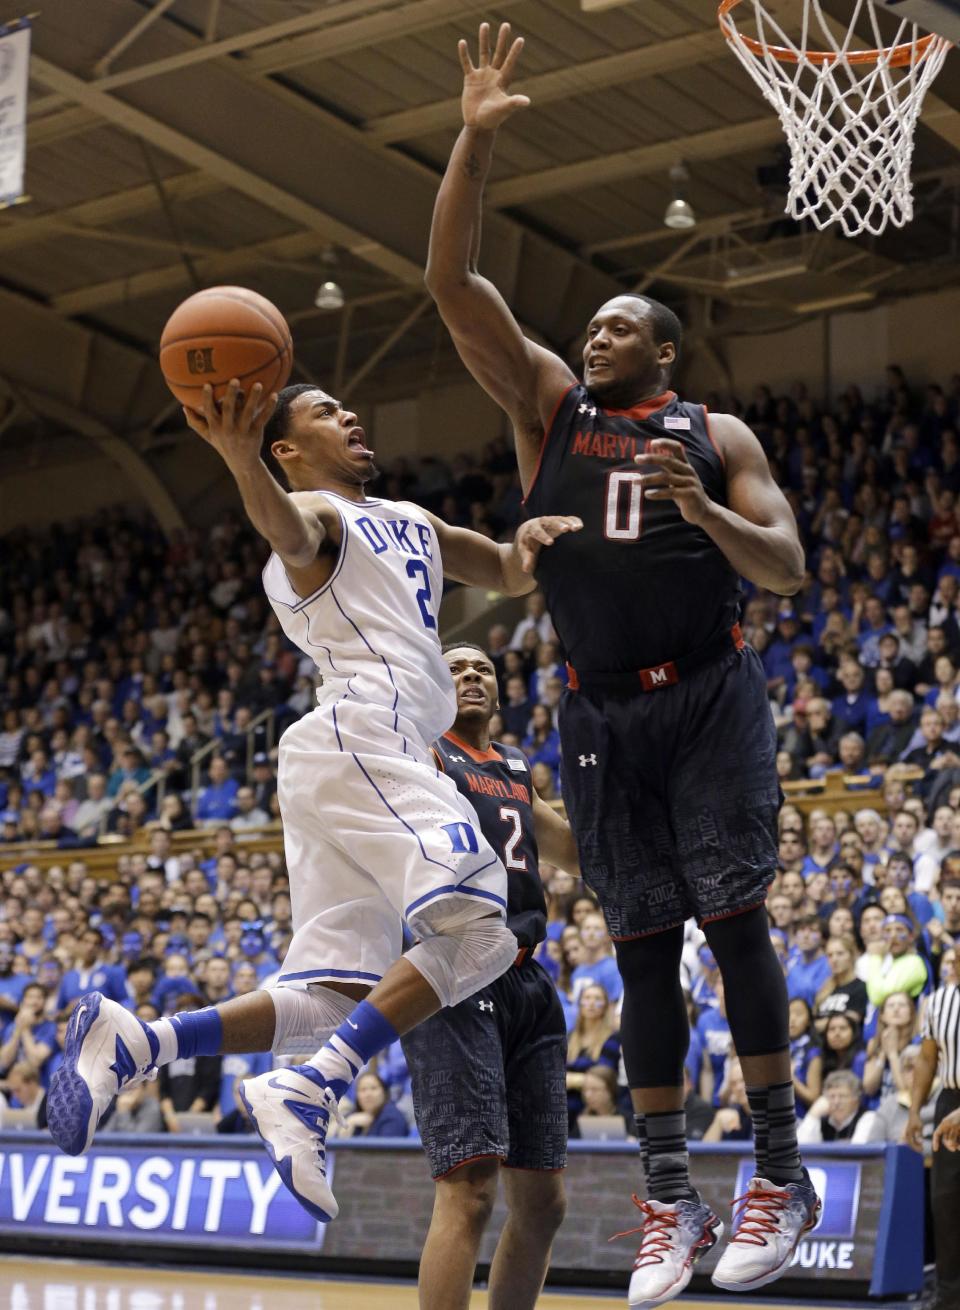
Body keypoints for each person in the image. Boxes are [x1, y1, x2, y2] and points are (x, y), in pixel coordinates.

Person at [424, 22, 818, 1301]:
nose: (592, 336)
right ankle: (668, 1198)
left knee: (734, 916)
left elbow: (788, 568)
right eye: (586, 325)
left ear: (663, 346)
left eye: (615, 326)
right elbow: (454, 285)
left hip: (705, 695)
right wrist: (474, 142)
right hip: (596, 711)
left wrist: (703, 512)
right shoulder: (550, 408)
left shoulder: (719, 432)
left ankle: (776, 1166)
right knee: (643, 946)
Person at [46, 374, 578, 1227]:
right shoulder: (318, 520)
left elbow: (512, 572)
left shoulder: (412, 522)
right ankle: (312, 1086)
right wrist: (235, 456)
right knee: (483, 925)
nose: (352, 416)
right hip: (364, 735)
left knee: (340, 992)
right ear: (288, 450)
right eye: (327, 413)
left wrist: (537, 540)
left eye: (348, 406)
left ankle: (140, 1040)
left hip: (355, 755)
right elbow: (290, 527)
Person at [400, 643, 579, 1310]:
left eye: (481, 670)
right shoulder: (419, 755)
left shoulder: (514, 767)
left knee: (543, 1202)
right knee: (469, 1187)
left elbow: (573, 852)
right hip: (456, 970)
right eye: (454, 669)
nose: (470, 676)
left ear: (501, 693)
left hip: (529, 979)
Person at [905, 980, 960, 1310]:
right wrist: (914, 1110)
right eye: (954, 960)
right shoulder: (940, 1000)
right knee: (947, 1202)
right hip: (950, 1097)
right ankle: (949, 1298)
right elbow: (927, 1058)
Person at [797, 1070, 876, 1143]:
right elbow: (801, 1150)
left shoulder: (868, 1118)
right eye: (831, 1096)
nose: (836, 1102)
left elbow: (859, 1152)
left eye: (842, 1096)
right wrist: (813, 1115)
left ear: (856, 1099)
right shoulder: (821, 1121)